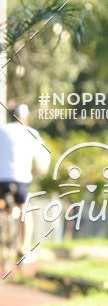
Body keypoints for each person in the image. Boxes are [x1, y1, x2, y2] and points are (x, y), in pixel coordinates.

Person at [0, 104, 50, 259]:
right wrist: (41, 169)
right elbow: (44, 157)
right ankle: (24, 247)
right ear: (25, 118)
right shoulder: (31, 133)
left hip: (1, 180)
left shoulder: (1, 130)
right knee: (25, 211)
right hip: (20, 181)